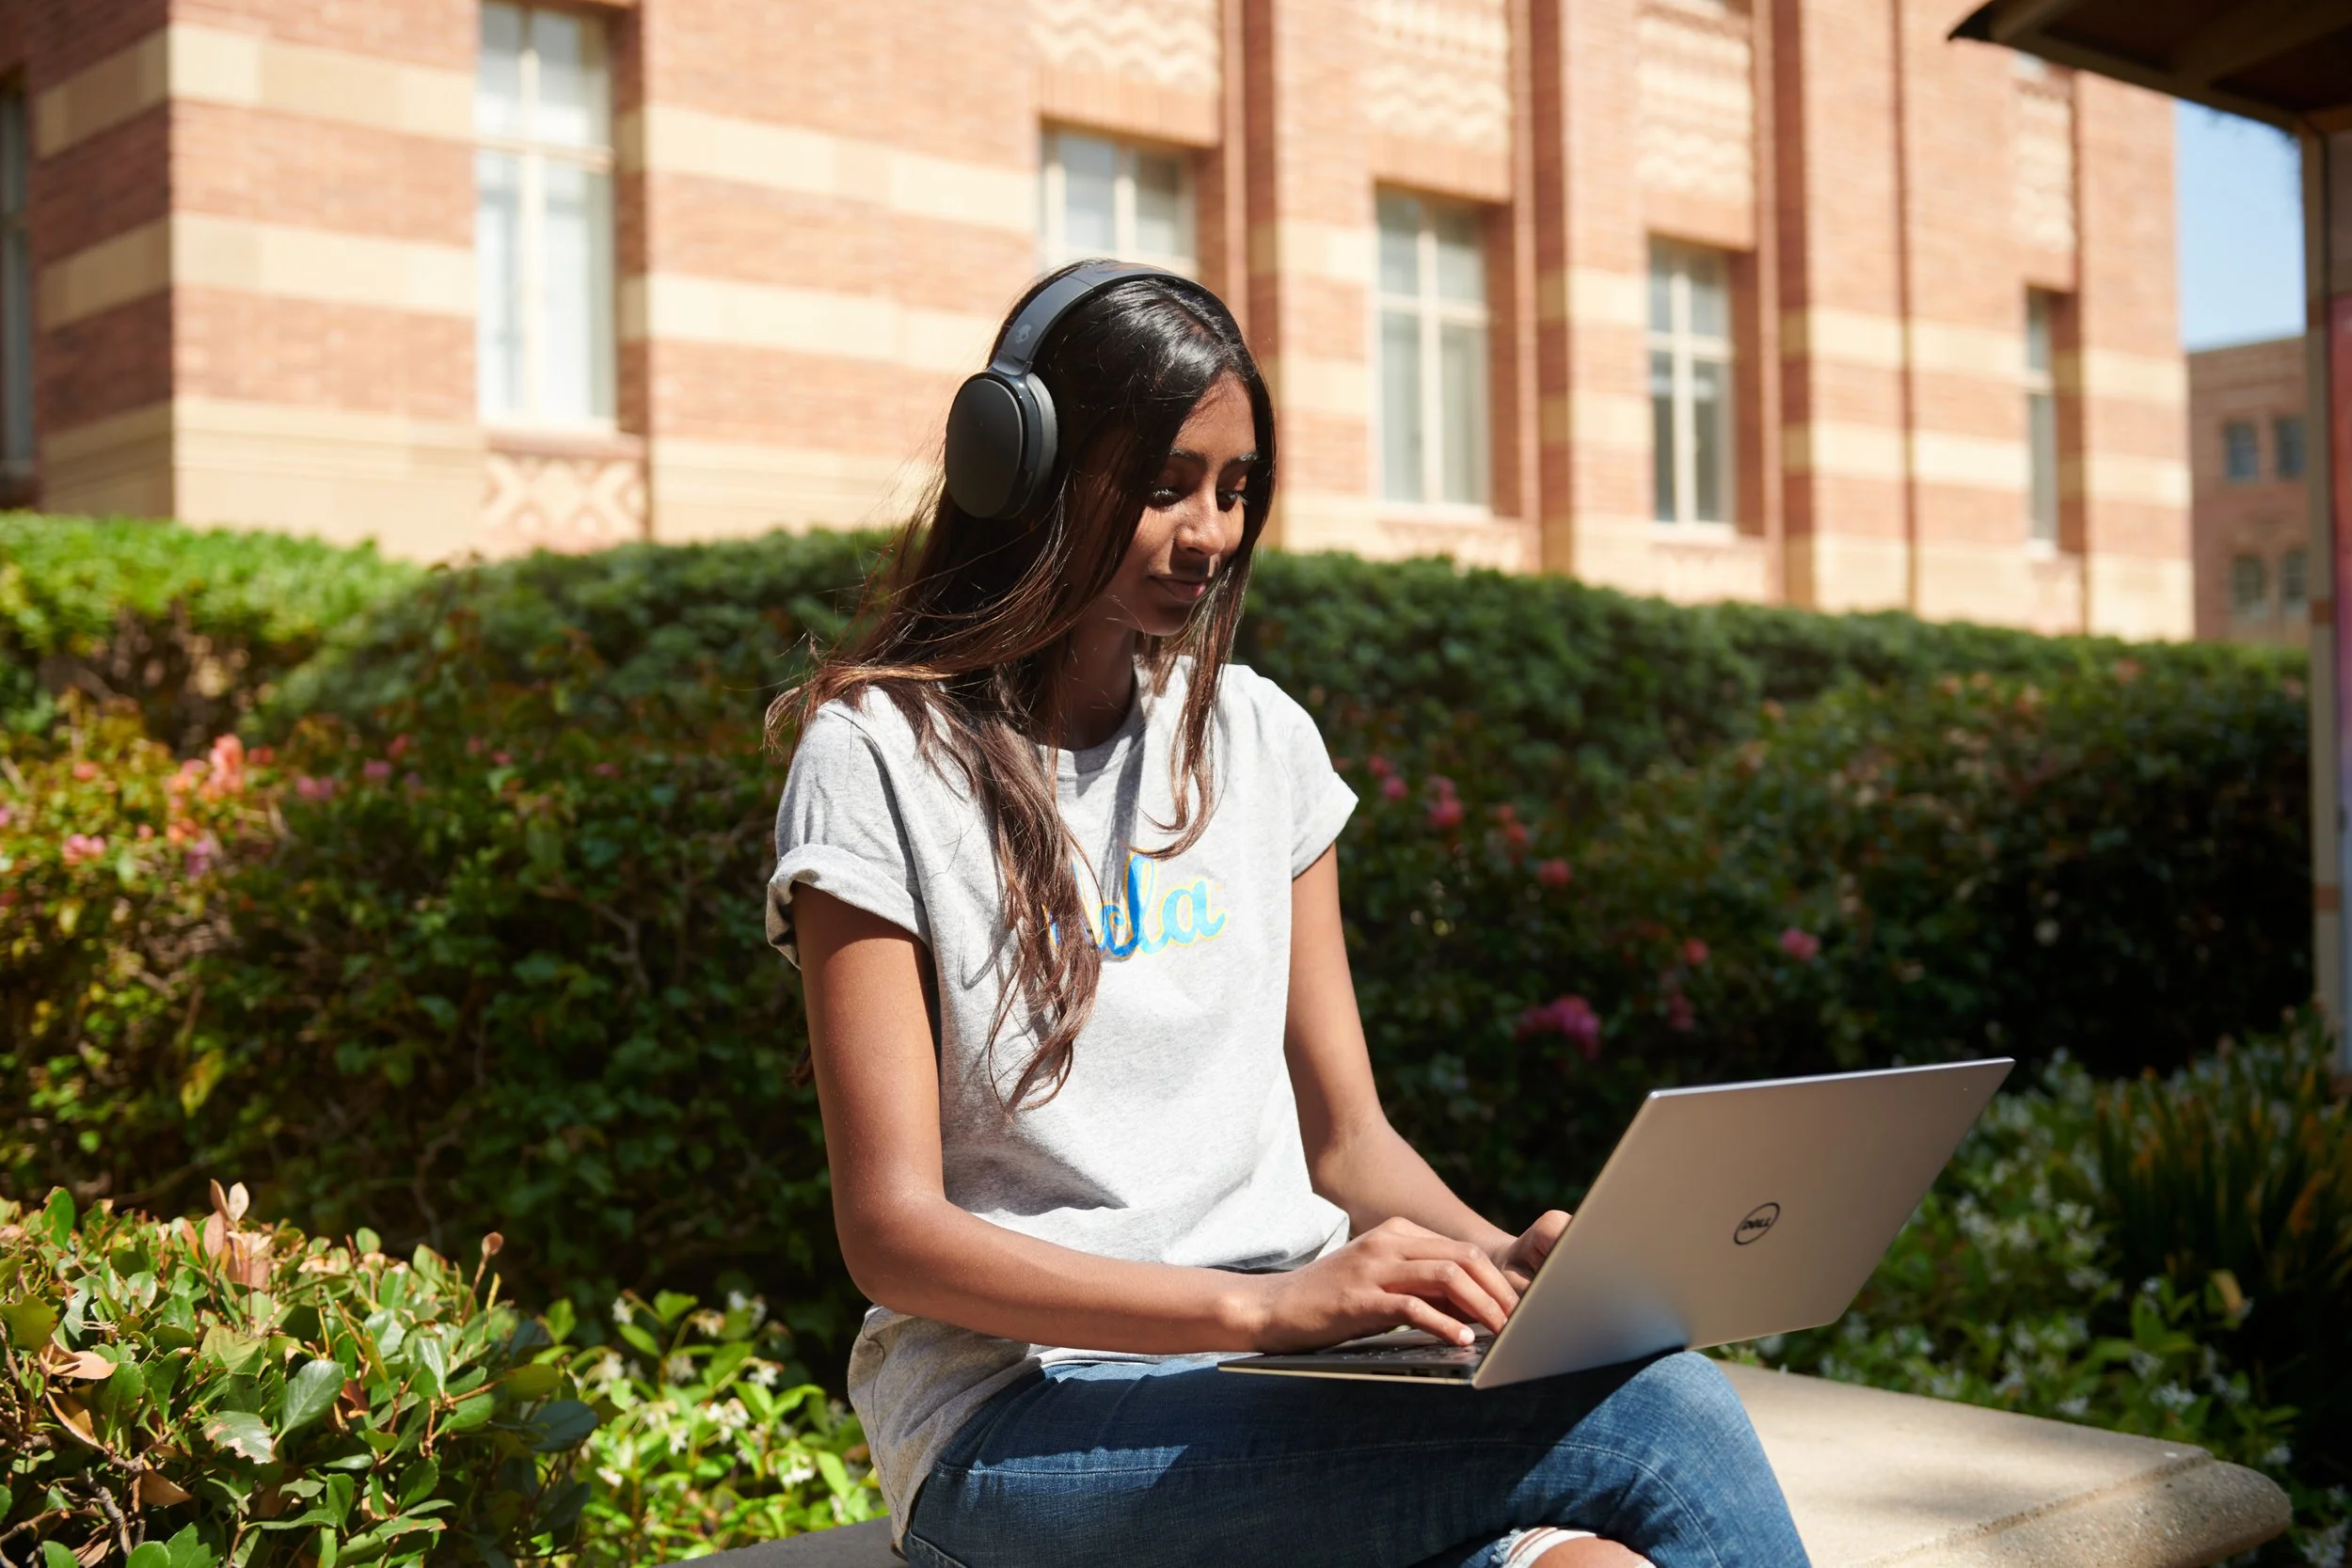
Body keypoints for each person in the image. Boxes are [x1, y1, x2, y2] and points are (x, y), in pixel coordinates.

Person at [765, 263, 1810, 1568]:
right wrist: (1265, 1310)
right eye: (1162, 484)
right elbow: (892, 1234)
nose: (1208, 531)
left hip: (1297, 1398)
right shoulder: (876, 758)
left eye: (1235, 485)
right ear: (1023, 464)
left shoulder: (1259, 738)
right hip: (1022, 1427)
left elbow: (1350, 1141)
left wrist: (1511, 1267)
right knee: (1661, 1427)